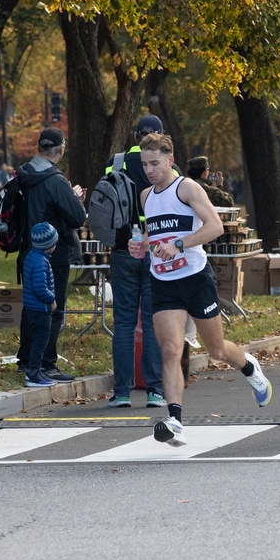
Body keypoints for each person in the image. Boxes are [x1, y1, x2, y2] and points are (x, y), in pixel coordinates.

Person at [131, 133, 271, 447]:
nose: (149, 170)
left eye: (155, 163)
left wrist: (178, 244)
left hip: (195, 278)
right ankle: (175, 420)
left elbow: (214, 227)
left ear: (170, 159)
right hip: (163, 282)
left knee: (217, 351)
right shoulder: (145, 196)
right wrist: (141, 246)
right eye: (144, 164)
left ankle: (250, 368)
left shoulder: (187, 188)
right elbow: (153, 236)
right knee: (170, 349)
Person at [15, 127, 87, 381]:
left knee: (31, 308)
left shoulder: (24, 174)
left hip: (27, 250)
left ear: (39, 148)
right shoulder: (56, 181)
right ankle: (46, 363)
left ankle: (26, 360)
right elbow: (77, 217)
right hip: (52, 253)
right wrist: (75, 197)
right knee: (52, 308)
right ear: (61, 149)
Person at [104, 115, 166, 408]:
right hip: (157, 252)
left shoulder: (114, 165)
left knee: (125, 322)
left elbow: (102, 208)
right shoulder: (169, 168)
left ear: (134, 134)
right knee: (153, 323)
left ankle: (122, 392)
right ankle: (155, 390)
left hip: (122, 250)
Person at [22, 222, 59, 388]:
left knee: (36, 339)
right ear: (48, 245)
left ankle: (34, 369)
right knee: (41, 341)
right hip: (40, 308)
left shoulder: (32, 256)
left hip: (31, 307)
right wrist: (51, 300)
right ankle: (34, 372)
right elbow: (40, 287)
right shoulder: (41, 262)